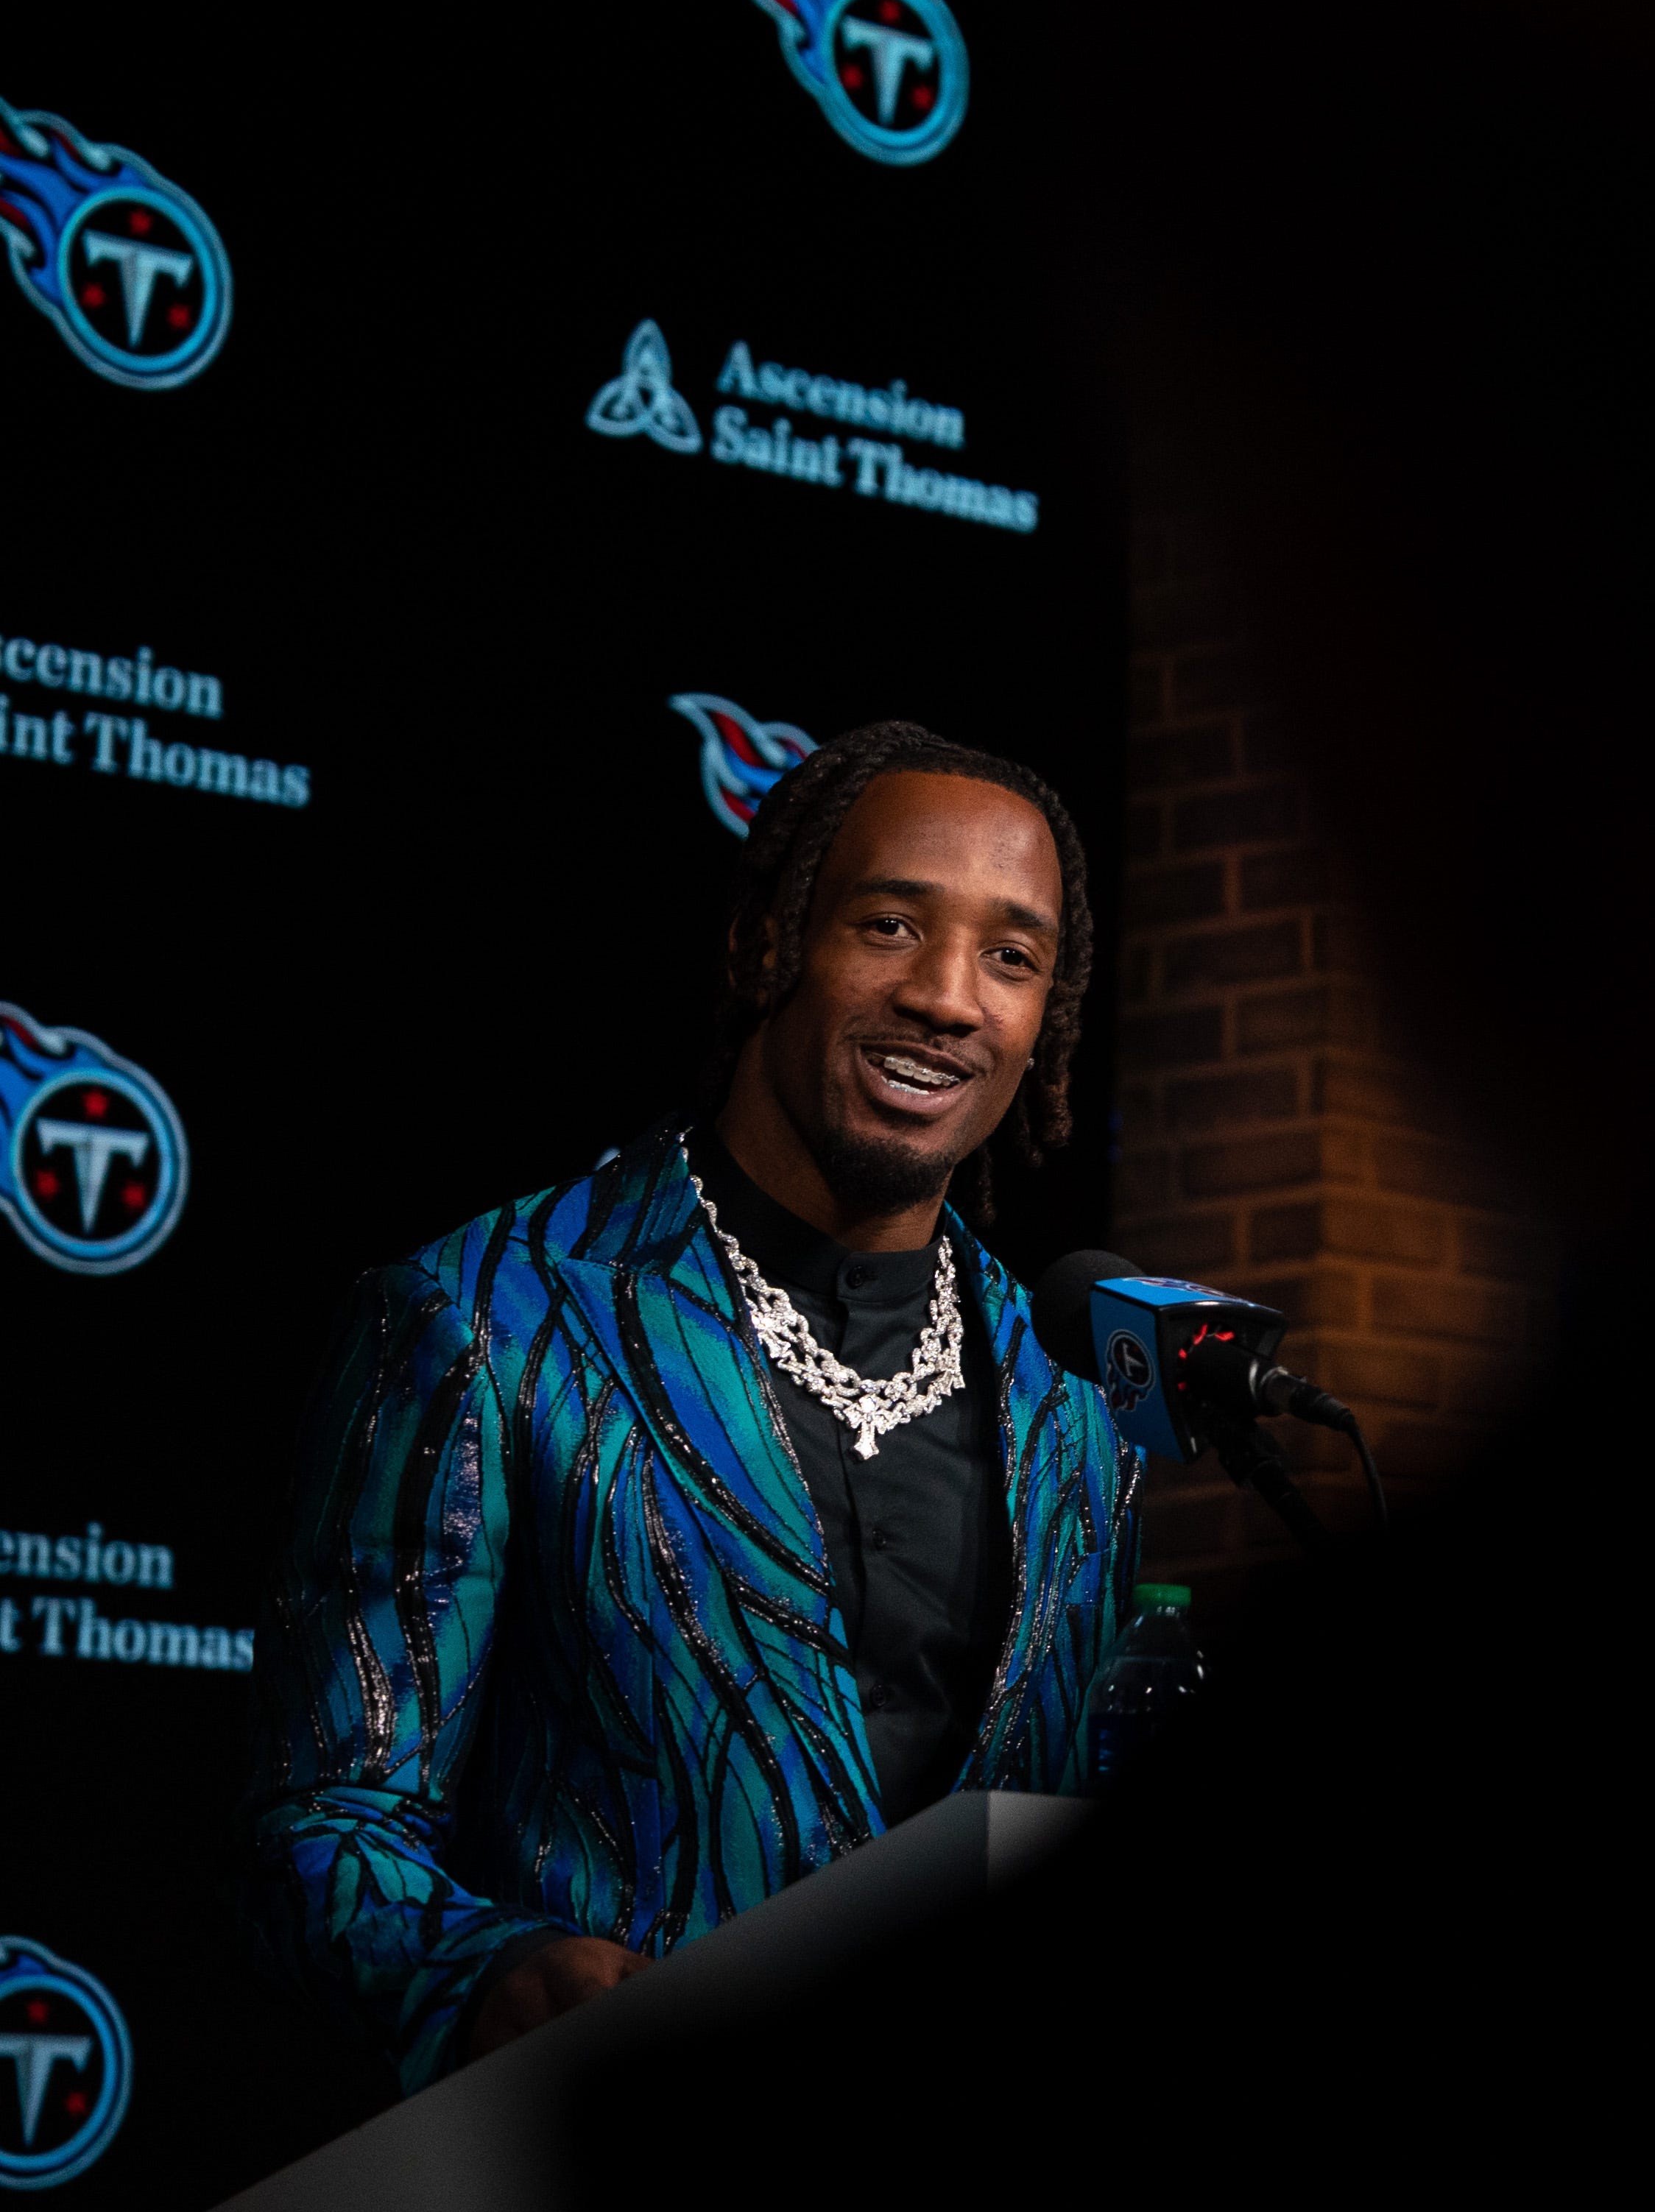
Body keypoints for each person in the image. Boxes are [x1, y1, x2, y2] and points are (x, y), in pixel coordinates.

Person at [237, 721, 1134, 2089]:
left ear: (1042, 1026)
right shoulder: (490, 1317)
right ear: (766, 944)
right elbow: (328, 1824)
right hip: (601, 2204)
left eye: (1011, 959)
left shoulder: (1073, 1405)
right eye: (892, 926)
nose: (951, 997)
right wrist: (485, 1974)